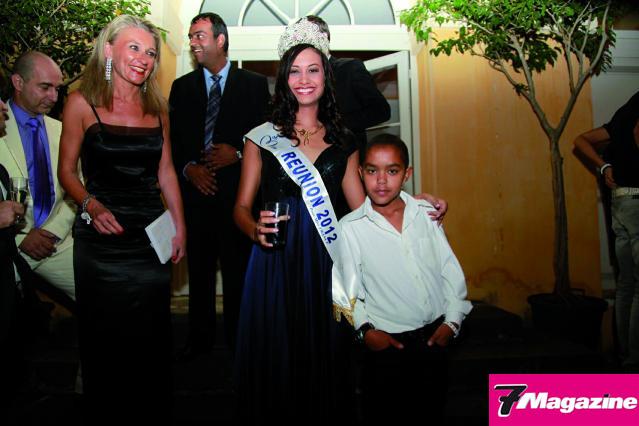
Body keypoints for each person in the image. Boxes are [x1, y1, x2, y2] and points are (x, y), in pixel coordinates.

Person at [57, 15, 186, 424]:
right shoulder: (80, 102)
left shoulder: (158, 109)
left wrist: (180, 227)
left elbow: (166, 172)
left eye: (150, 52)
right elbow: (66, 172)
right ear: (109, 49)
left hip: (148, 241)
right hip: (100, 243)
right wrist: (91, 205)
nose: (144, 58)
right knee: (103, 337)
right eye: (134, 47)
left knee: (151, 336)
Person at [334, 133, 472, 423]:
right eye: (372, 170)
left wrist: (453, 321)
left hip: (434, 338)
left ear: (407, 174)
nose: (381, 181)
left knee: (431, 412)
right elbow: (344, 291)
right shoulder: (350, 228)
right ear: (360, 173)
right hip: (386, 345)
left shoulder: (427, 214)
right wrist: (365, 332)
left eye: (392, 171)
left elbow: (448, 269)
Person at [169, 12, 270, 358]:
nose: (193, 43)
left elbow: (268, 140)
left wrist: (238, 153)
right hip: (195, 200)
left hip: (237, 202)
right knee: (199, 275)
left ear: (220, 39)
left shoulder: (254, 85)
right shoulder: (181, 88)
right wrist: (188, 170)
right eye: (191, 37)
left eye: (199, 36)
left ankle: (240, 345)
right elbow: (172, 143)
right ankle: (199, 345)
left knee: (238, 275)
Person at [0, 52, 76, 307]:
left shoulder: (63, 131)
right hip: (9, 245)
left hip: (56, 243)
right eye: (45, 87)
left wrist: (52, 232)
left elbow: (76, 191)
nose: (54, 97)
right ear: (18, 83)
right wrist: (21, 237)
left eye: (57, 88)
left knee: (105, 294)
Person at [573, 91, 639, 371]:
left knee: (626, 284)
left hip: (621, 201)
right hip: (637, 199)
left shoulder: (621, 117)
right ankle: (635, 359)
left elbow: (581, 140)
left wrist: (604, 167)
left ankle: (625, 355)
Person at [306, 15, 391, 150]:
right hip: (308, 153)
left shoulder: (349, 68)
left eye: (307, 36)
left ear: (324, 38)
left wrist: (334, 124)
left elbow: (381, 110)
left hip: (347, 153)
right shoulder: (299, 78)